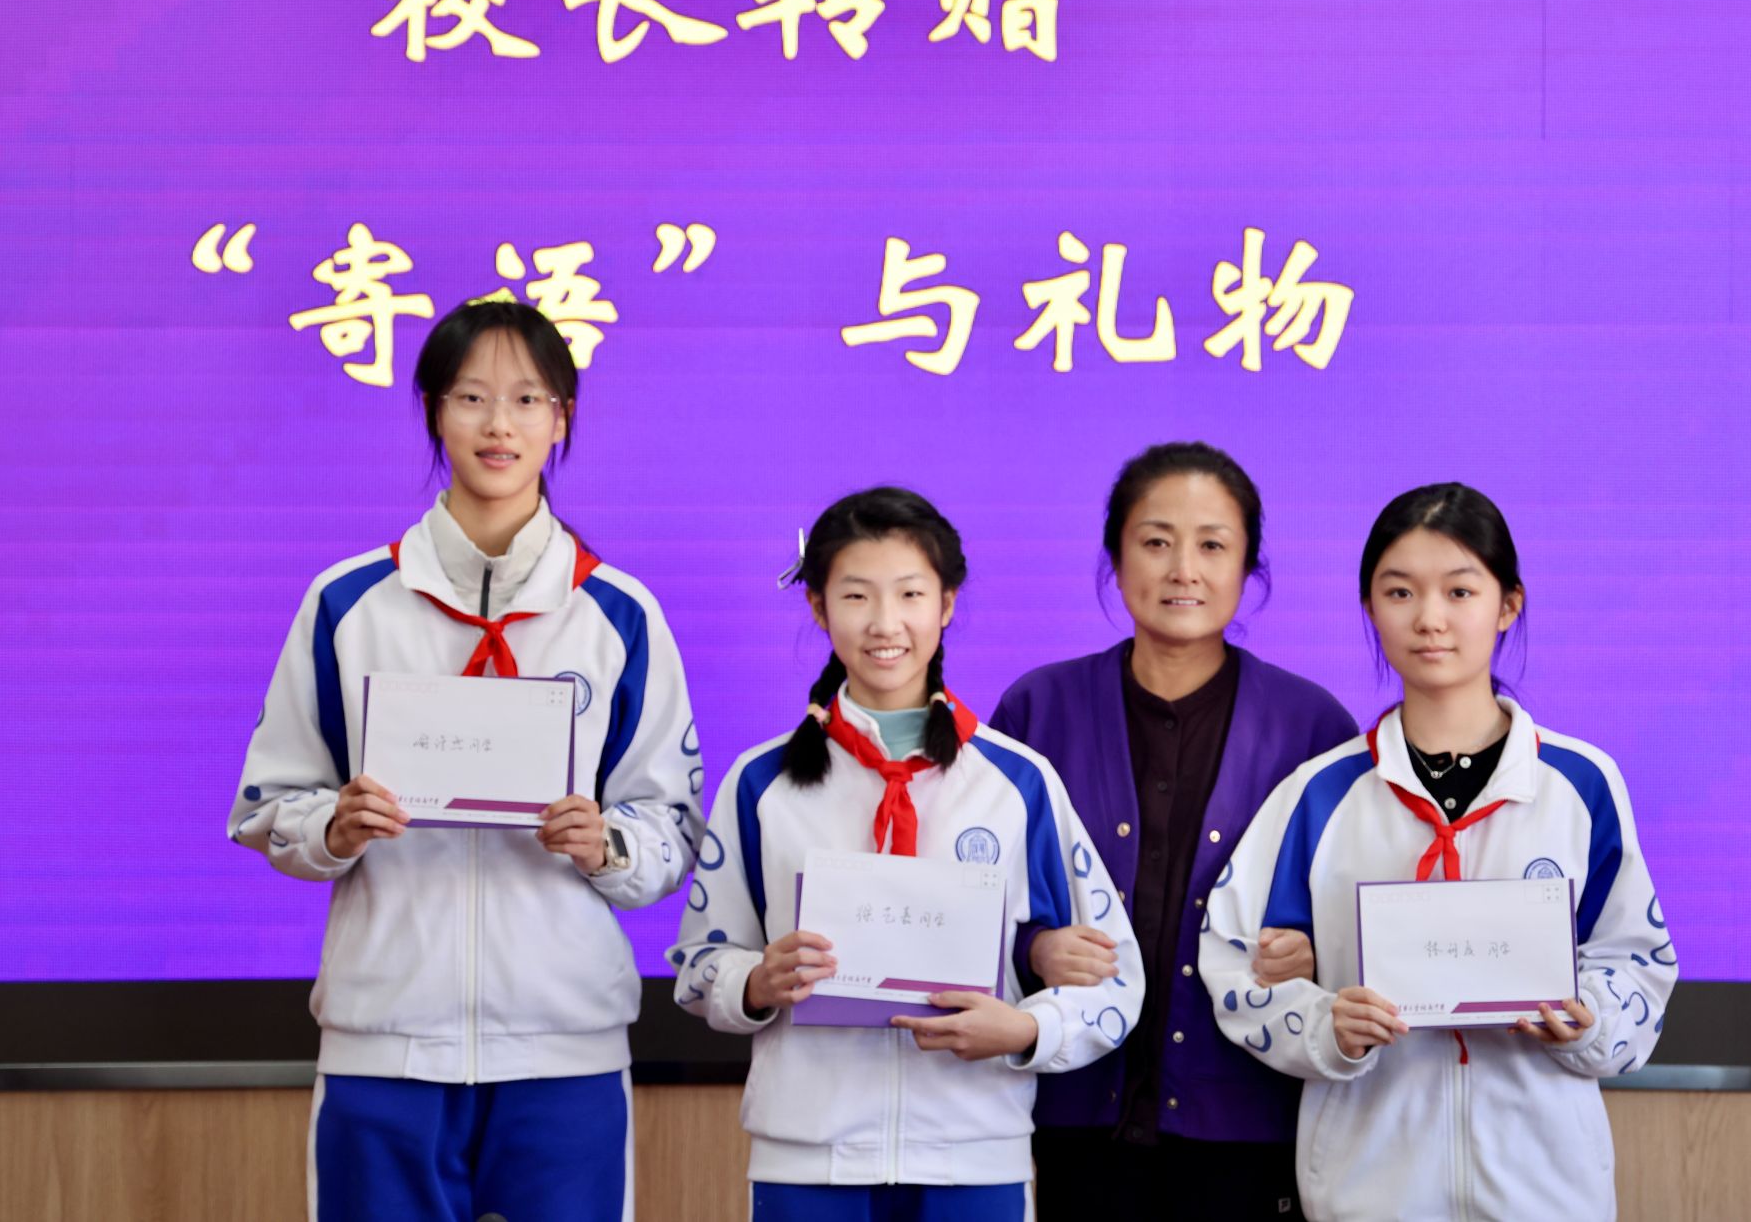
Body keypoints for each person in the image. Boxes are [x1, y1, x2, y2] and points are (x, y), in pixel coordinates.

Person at [229, 299, 704, 1222]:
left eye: (527, 399)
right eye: (472, 397)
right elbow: (266, 803)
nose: (499, 424)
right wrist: (333, 827)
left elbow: (672, 829)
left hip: (564, 1045)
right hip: (385, 1040)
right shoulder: (349, 604)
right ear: (434, 412)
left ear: (561, 418)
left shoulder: (618, 615)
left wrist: (605, 844)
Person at [1201, 482, 1677, 1222]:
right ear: (1369, 606)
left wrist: (1590, 1020)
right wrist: (1326, 1024)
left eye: (1460, 591)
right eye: (1400, 592)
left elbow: (1638, 963)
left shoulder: (1580, 784)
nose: (1429, 618)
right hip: (1367, 1192)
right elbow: (1232, 963)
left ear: (1508, 604)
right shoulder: (1321, 792)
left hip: (1546, 1192)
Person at [670, 486, 1144, 1222]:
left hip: (974, 1150)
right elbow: (699, 967)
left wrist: (1027, 1029)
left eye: (911, 594)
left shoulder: (1016, 782)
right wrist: (756, 981)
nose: (885, 623)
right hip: (807, 1153)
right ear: (819, 608)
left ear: (946, 605)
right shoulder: (762, 783)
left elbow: (1118, 980)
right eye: (856, 595)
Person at [987, 441, 1357, 1216]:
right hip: (1074, 1112)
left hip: (1248, 1122)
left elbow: (1354, 910)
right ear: (1116, 559)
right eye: (1156, 541)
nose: (1183, 569)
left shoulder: (1312, 726)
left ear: (1248, 566)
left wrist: (1318, 951)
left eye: (1212, 545)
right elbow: (981, 898)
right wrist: (1033, 949)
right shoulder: (1037, 711)